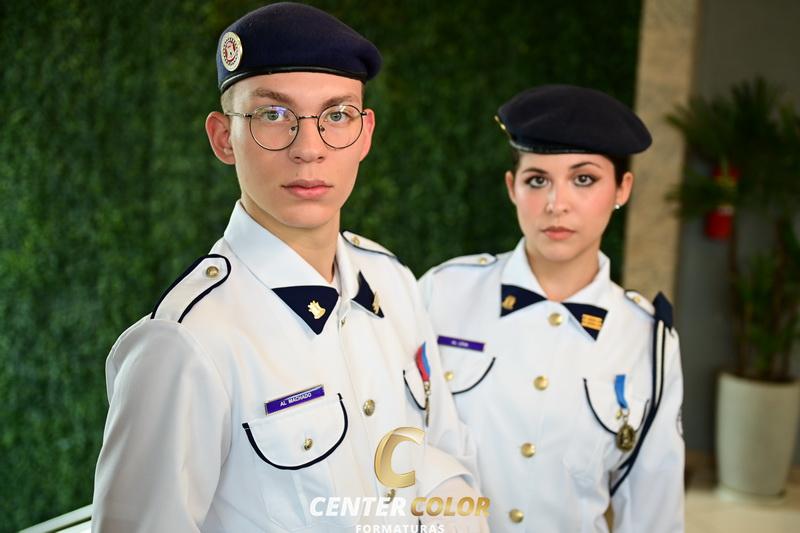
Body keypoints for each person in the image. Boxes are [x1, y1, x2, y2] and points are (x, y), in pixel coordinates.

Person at [92, 3, 486, 531]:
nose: (309, 149)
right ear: (222, 138)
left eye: (337, 116)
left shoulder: (391, 281)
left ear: (365, 134)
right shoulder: (185, 341)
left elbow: (441, 457)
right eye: (273, 116)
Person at [419, 85, 685, 532]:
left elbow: (653, 511)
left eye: (584, 179)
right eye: (537, 180)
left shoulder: (646, 339)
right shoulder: (444, 294)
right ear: (512, 187)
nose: (556, 204)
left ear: (622, 188)